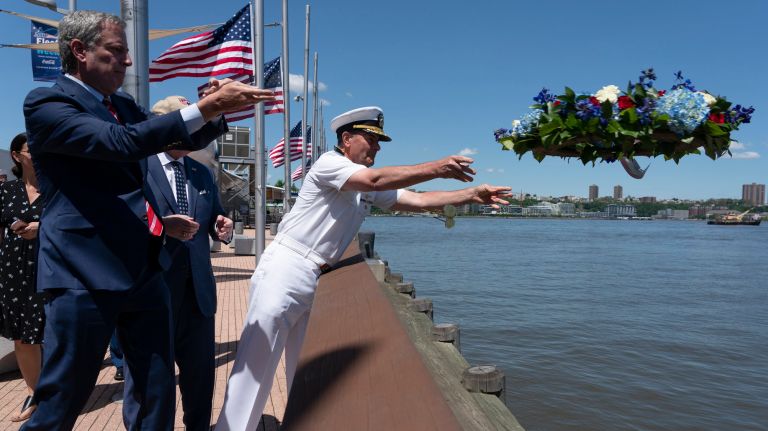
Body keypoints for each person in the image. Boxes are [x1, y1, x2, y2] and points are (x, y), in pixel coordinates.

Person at [21, 10, 274, 430]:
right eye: (117, 51)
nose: (128, 61)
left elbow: (174, 138)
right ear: (80, 51)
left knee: (154, 392)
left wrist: (211, 111)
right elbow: (120, 144)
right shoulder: (48, 103)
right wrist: (206, 107)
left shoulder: (121, 105)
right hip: (81, 273)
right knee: (62, 400)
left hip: (143, 270)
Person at [215, 106, 511, 430]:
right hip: (286, 268)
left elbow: (418, 200)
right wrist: (438, 167)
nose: (378, 147)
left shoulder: (361, 185)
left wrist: (473, 193)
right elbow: (374, 179)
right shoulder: (331, 164)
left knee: (301, 374)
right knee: (255, 369)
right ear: (347, 139)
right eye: (372, 138)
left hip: (314, 275)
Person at [140, 95, 233, 430]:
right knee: (151, 383)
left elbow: (215, 215)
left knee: (199, 380)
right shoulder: (138, 167)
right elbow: (122, 218)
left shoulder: (201, 173)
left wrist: (222, 225)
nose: (197, 133)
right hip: (152, 293)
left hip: (198, 296)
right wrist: (163, 226)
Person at [0, 133, 46, 422]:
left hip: (51, 266)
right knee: (23, 338)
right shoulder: (7, 192)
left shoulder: (58, 189)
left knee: (54, 334)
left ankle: (59, 391)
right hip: (13, 268)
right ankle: (36, 394)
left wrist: (41, 227)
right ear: (17, 156)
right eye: (32, 150)